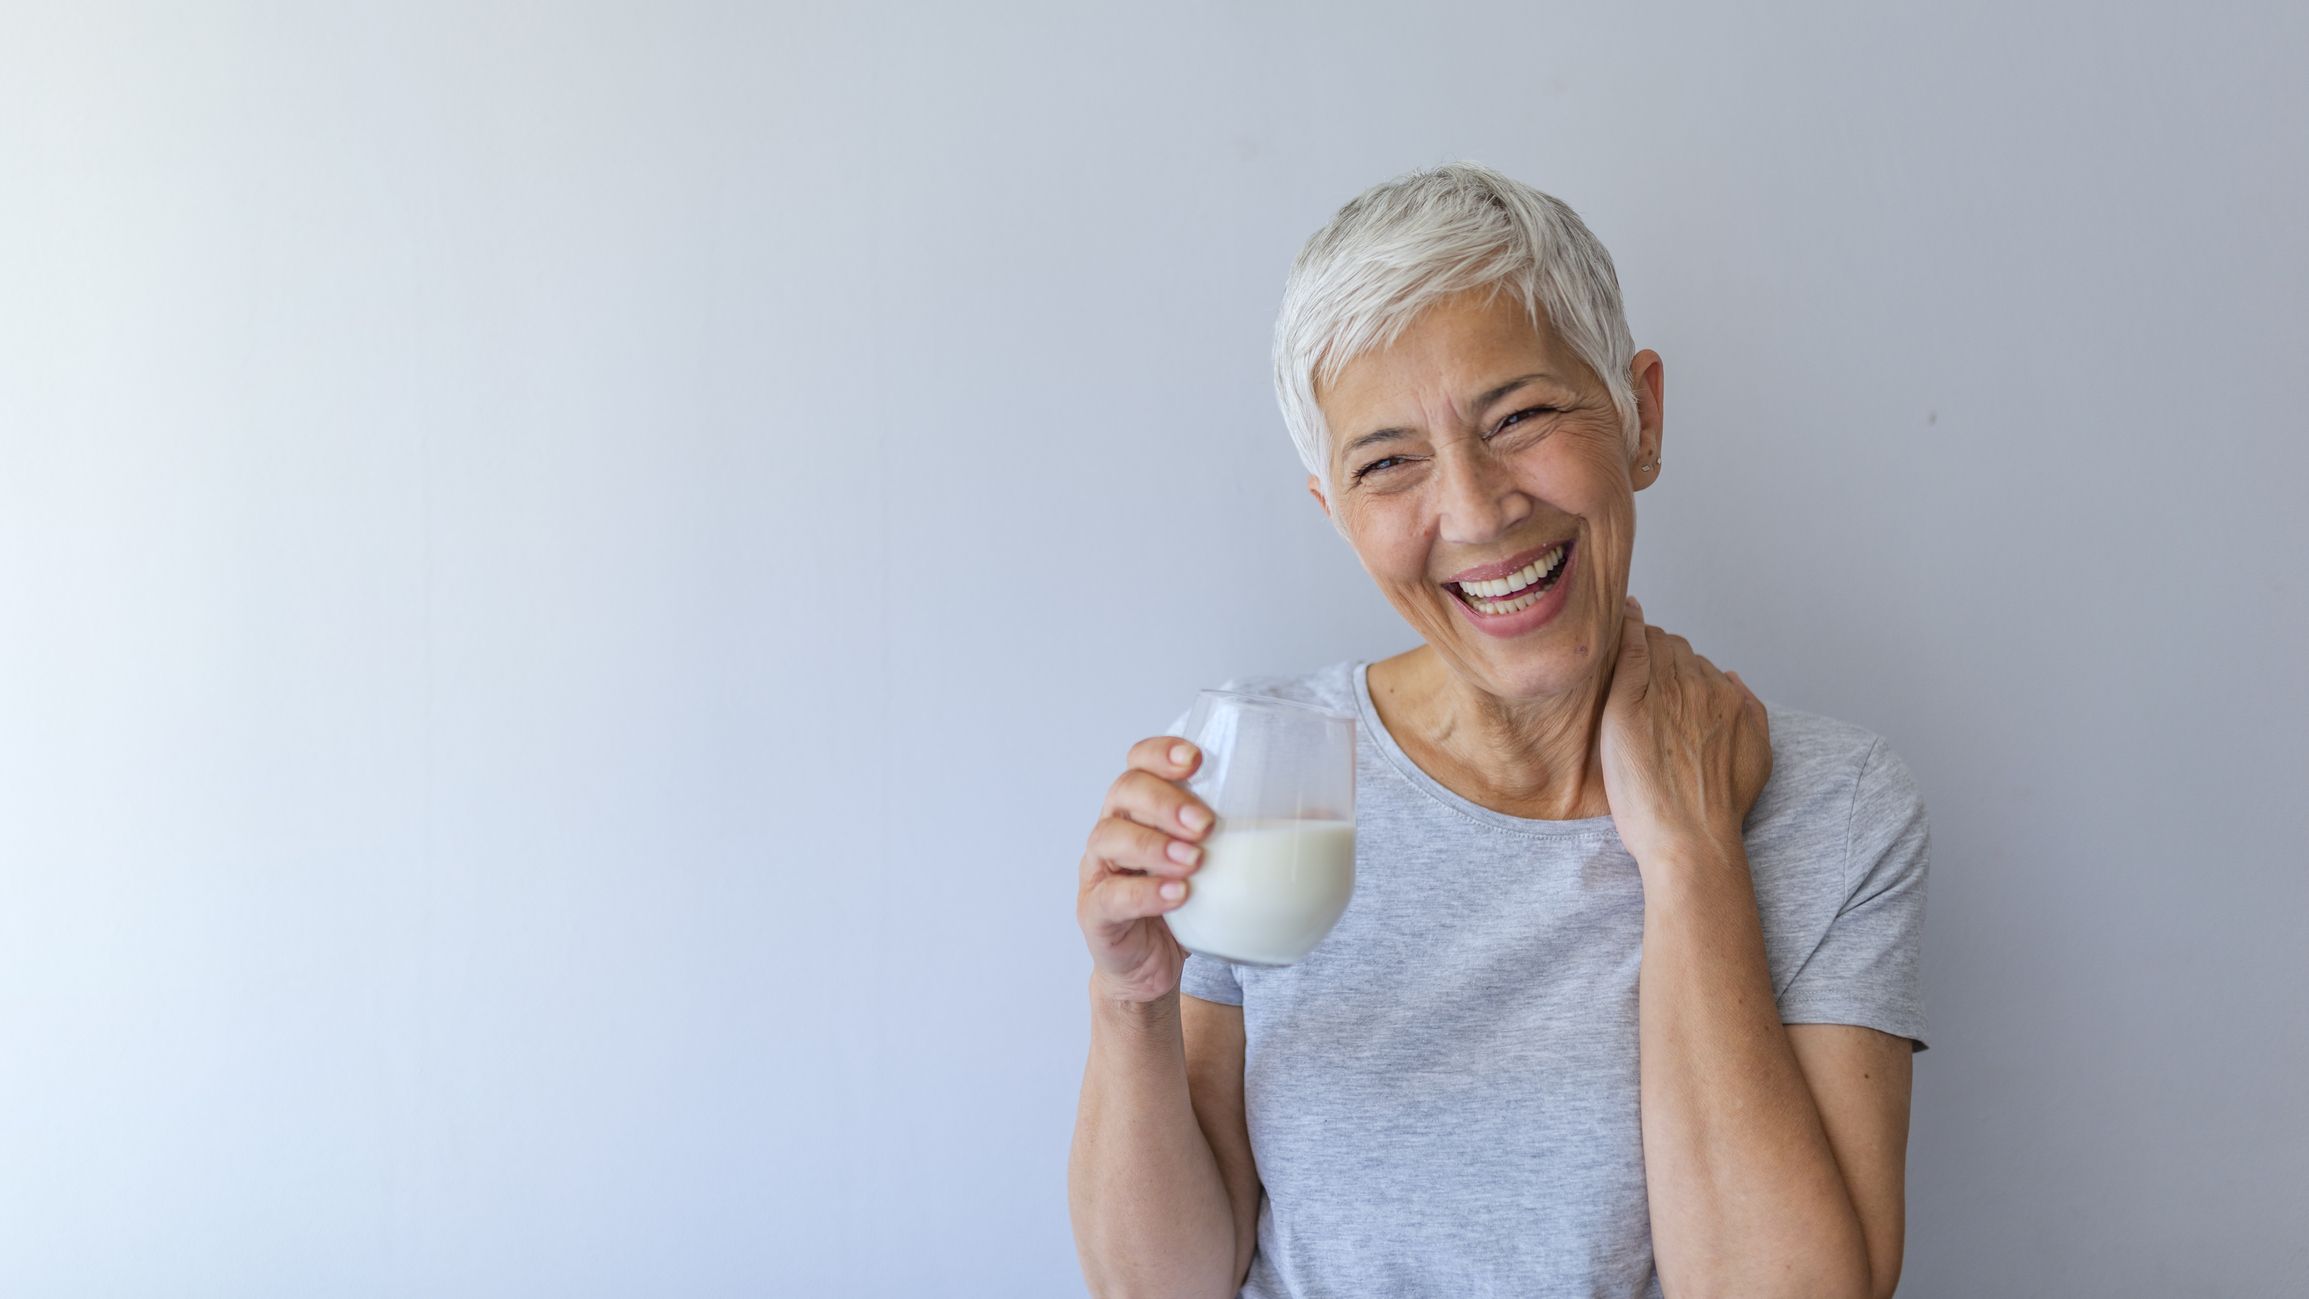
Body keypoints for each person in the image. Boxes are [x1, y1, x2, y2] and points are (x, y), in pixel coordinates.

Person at [1068, 161, 1930, 1299]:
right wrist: (1129, 1003)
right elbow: (1160, 1288)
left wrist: (1688, 856)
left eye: (1517, 417)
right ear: (1336, 511)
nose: (1474, 511)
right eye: (1388, 464)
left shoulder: (1834, 804)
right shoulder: (1260, 767)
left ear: (1640, 417)